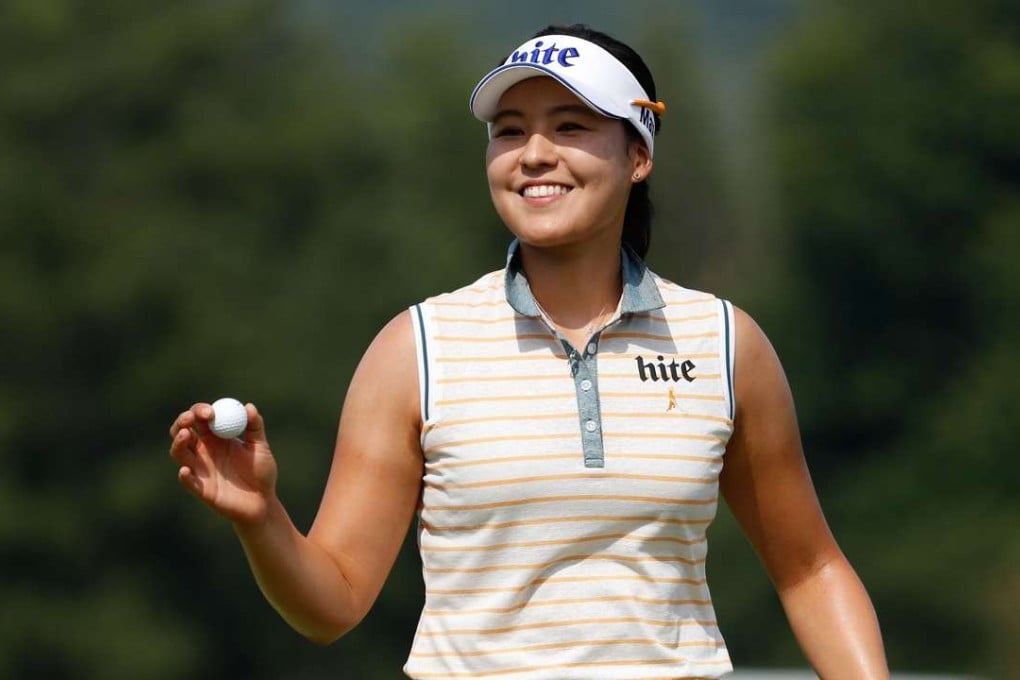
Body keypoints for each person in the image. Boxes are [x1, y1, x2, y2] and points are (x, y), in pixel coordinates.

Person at [168, 24, 889, 679]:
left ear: (638, 155)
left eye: (569, 126)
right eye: (509, 132)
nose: (534, 154)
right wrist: (262, 519)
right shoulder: (415, 348)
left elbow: (810, 569)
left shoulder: (726, 344)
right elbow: (335, 603)